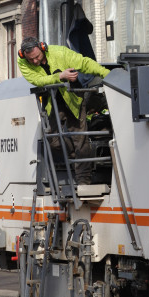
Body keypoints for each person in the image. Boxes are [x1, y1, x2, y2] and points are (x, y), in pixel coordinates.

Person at [18, 37, 110, 187]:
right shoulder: (23, 62)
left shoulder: (60, 53)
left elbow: (84, 63)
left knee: (80, 139)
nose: (34, 62)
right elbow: (38, 81)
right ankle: (77, 161)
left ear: (43, 48)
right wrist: (60, 76)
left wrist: (107, 75)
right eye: (31, 60)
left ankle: (83, 180)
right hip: (52, 101)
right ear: (23, 56)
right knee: (53, 140)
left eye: (37, 57)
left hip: (73, 98)